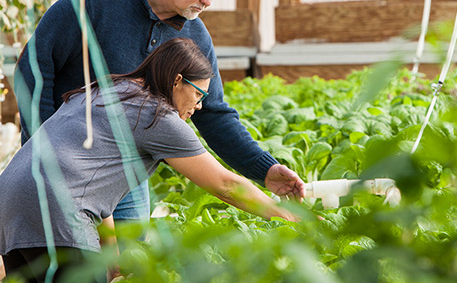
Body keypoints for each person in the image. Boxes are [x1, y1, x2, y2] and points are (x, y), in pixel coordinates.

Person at [15, 0, 304, 225]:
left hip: (127, 178)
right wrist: (44, 149)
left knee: (125, 263)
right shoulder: (94, 2)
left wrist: (263, 169)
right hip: (61, 167)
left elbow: (214, 115)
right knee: (61, 259)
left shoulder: (196, 37)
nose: (208, 1)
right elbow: (32, 70)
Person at [1, 38, 298, 282]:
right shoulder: (157, 116)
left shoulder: (111, 90)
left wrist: (112, 259)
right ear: (177, 81)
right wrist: (289, 218)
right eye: (198, 94)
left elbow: (92, 187)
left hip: (10, 204)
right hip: (58, 211)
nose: (199, 105)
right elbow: (225, 184)